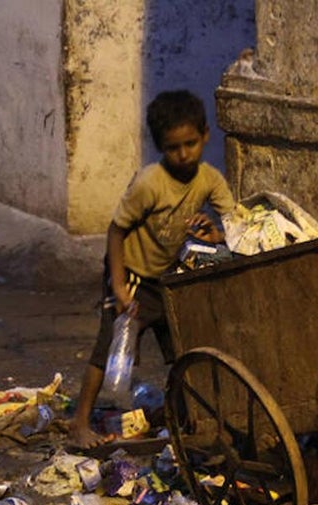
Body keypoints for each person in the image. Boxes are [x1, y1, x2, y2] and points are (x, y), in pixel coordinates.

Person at [69, 89, 234, 448]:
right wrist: (118, 286)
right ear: (160, 146)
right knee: (108, 349)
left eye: (191, 143)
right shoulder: (149, 183)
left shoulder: (209, 179)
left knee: (180, 350)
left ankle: (184, 416)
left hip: (169, 279)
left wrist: (217, 234)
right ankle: (80, 422)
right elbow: (116, 230)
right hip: (132, 275)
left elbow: (234, 224)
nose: (184, 154)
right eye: (173, 147)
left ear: (205, 135)